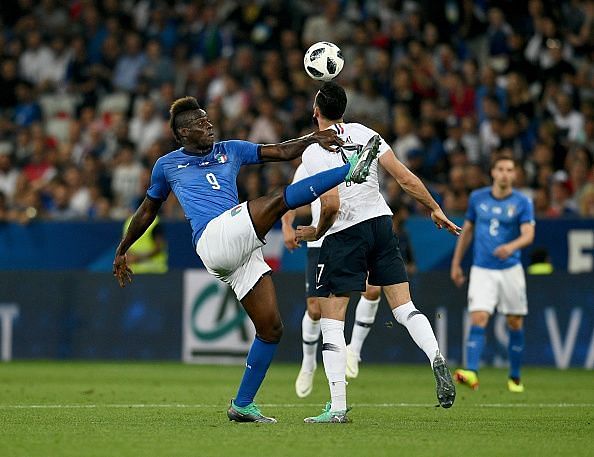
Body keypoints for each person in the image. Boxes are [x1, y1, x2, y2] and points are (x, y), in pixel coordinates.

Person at [112, 96, 378, 424]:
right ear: (182, 134)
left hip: (240, 246)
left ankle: (242, 404)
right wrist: (123, 247)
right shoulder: (166, 165)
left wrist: (312, 138)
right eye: (199, 123)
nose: (208, 125)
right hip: (214, 238)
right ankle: (350, 170)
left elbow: (279, 151)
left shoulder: (230, 149)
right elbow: (147, 210)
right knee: (280, 198)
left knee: (271, 329)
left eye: (207, 119)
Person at [295, 82, 461, 423]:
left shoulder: (313, 151)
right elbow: (404, 177)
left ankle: (338, 408)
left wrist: (315, 232)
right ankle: (436, 357)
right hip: (382, 224)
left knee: (331, 320)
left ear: (316, 112)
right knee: (404, 308)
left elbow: (330, 204)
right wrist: (435, 208)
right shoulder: (366, 133)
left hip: (344, 234)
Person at [281, 165, 381, 399]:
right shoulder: (310, 161)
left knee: (373, 288)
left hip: (357, 236)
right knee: (315, 310)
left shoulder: (356, 154)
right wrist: (286, 225)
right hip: (321, 240)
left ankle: (353, 350)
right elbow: (291, 200)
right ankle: (308, 364)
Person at [450, 152, 535, 393]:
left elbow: (529, 234)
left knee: (514, 321)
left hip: (510, 270)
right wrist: (456, 263)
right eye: (501, 169)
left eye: (510, 170)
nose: (505, 174)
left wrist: (511, 246)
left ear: (515, 174)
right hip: (482, 270)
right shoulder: (477, 198)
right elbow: (467, 232)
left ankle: (515, 377)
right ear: (493, 173)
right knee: (479, 318)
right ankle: (472, 373)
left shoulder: (522, 202)